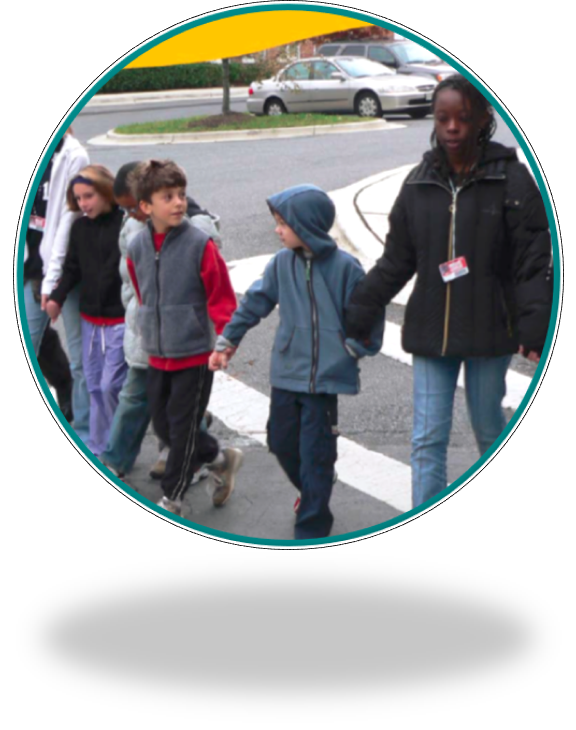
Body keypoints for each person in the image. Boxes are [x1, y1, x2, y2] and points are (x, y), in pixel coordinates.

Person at [344, 74, 553, 509]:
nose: (452, 127)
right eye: (443, 119)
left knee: (490, 431)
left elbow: (532, 259)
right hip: (430, 332)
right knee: (426, 439)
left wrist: (535, 323)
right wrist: (362, 305)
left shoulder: (511, 181)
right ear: (434, 122)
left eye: (462, 117)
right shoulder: (418, 184)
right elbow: (396, 259)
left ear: (482, 120)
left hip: (489, 332)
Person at [209, 184, 383, 540]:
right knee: (281, 441)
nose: (277, 230)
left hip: (326, 379)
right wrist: (228, 341)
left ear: (306, 225)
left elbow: (369, 314)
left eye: (282, 223)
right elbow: (254, 302)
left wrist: (352, 348)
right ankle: (311, 487)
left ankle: (312, 525)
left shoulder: (346, 268)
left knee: (316, 452)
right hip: (287, 372)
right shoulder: (280, 264)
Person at [126, 159, 242, 518]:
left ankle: (172, 498)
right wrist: (149, 325)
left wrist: (225, 341)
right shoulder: (137, 247)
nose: (178, 202)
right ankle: (220, 458)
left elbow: (222, 296)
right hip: (158, 353)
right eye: (168, 196)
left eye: (181, 195)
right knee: (162, 425)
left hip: (194, 354)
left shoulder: (199, 244)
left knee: (181, 428)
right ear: (146, 206)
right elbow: (143, 292)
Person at [101, 162, 221, 482]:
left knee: (172, 412)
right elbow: (132, 283)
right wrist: (139, 315)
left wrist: (223, 341)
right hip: (150, 338)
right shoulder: (134, 233)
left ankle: (177, 481)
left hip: (187, 343)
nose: (129, 215)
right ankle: (212, 455)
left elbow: (216, 289)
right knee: (157, 410)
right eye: (125, 209)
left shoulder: (196, 234)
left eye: (179, 195)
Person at [46, 165, 127, 457]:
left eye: (89, 196)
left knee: (111, 386)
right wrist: (56, 297)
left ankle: (117, 444)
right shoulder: (79, 228)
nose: (83, 204)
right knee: (93, 384)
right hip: (90, 321)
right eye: (78, 198)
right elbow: (72, 268)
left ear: (106, 191)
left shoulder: (125, 225)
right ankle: (99, 445)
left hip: (120, 319)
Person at [23, 129, 90, 439]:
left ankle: (88, 433)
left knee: (82, 360)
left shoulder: (73, 155)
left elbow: (67, 220)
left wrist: (51, 281)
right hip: (29, 267)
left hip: (64, 270)